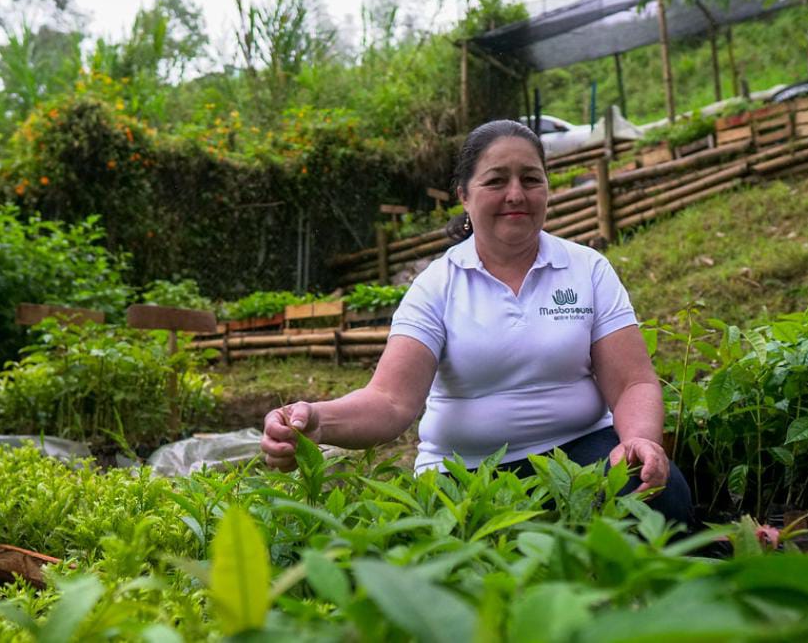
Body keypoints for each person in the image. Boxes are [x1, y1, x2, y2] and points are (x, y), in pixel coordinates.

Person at [260, 119, 692, 525]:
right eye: (496, 180)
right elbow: (391, 402)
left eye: (531, 179)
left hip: (581, 451)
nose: (516, 194)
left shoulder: (587, 269)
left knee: (661, 495)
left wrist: (639, 439)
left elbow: (633, 382)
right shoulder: (436, 286)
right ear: (464, 195)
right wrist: (318, 421)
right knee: (485, 552)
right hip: (467, 471)